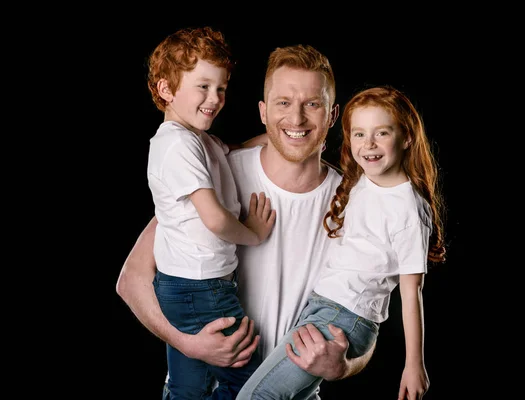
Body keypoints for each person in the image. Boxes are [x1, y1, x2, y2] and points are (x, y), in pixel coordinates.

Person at [117, 43, 375, 399]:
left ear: (332, 115)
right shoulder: (220, 175)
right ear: (263, 112)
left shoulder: (356, 203)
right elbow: (131, 280)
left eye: (312, 104)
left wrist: (343, 365)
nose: (297, 119)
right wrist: (187, 344)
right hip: (212, 386)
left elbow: (366, 315)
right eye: (283, 103)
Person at [237, 85, 446, 399]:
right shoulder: (363, 178)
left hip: (346, 317)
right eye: (359, 134)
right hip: (321, 307)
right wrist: (227, 150)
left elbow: (411, 290)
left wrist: (414, 364)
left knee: (256, 396)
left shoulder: (409, 208)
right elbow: (292, 144)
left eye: (382, 133)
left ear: (406, 137)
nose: (369, 145)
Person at [143, 26, 276, 399]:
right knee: (248, 378)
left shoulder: (198, 140)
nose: (214, 98)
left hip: (186, 285)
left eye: (220, 88)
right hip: (200, 287)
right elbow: (215, 219)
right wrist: (254, 233)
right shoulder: (176, 144)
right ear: (166, 89)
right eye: (202, 86)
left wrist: (277, 135)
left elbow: (233, 152)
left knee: (190, 385)